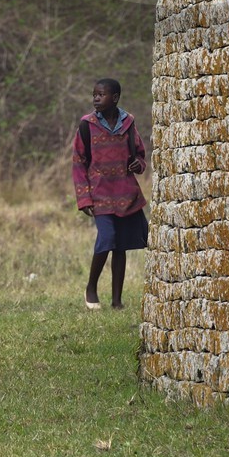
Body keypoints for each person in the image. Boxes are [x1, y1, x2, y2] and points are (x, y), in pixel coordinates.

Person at [72, 77, 148, 310]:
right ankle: (91, 288)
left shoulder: (128, 123)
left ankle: (117, 301)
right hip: (100, 194)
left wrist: (138, 164)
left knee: (120, 246)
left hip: (125, 194)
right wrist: (84, 197)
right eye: (94, 94)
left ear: (114, 98)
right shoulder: (87, 125)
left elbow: (140, 154)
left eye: (101, 95)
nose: (96, 98)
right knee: (107, 238)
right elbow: (78, 163)